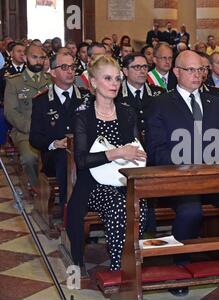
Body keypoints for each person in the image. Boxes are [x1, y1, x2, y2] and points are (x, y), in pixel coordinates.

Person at [145, 50, 219, 296]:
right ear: (176, 72)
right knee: (190, 210)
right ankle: (180, 269)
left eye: (200, 70)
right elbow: (157, 150)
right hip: (178, 179)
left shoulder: (215, 102)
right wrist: (191, 162)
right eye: (190, 70)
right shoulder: (161, 104)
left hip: (214, 179)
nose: (197, 75)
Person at [67, 55, 151, 272]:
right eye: (107, 78)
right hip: (92, 184)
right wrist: (116, 153)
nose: (114, 84)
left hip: (123, 178)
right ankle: (120, 268)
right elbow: (82, 161)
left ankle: (133, 263)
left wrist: (136, 154)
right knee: (117, 204)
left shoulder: (127, 112)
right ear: (93, 82)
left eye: (117, 79)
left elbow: (137, 150)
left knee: (137, 204)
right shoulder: (83, 116)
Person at [30, 53, 87, 208]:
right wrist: (55, 143)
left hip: (83, 151)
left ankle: (93, 208)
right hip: (54, 155)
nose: (70, 71)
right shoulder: (41, 101)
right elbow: (34, 137)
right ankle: (68, 209)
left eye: (72, 67)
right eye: (64, 67)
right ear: (53, 72)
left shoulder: (86, 97)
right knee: (65, 158)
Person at [4, 44, 52, 193]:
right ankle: (37, 189)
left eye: (42, 58)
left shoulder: (50, 80)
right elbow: (10, 112)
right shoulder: (14, 82)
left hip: (49, 130)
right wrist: (30, 127)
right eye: (34, 57)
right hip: (25, 131)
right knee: (29, 158)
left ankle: (54, 188)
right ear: (25, 58)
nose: (38, 61)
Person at [116, 53, 165, 139]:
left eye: (145, 67)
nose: (142, 71)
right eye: (137, 67)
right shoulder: (116, 95)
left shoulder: (159, 93)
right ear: (125, 71)